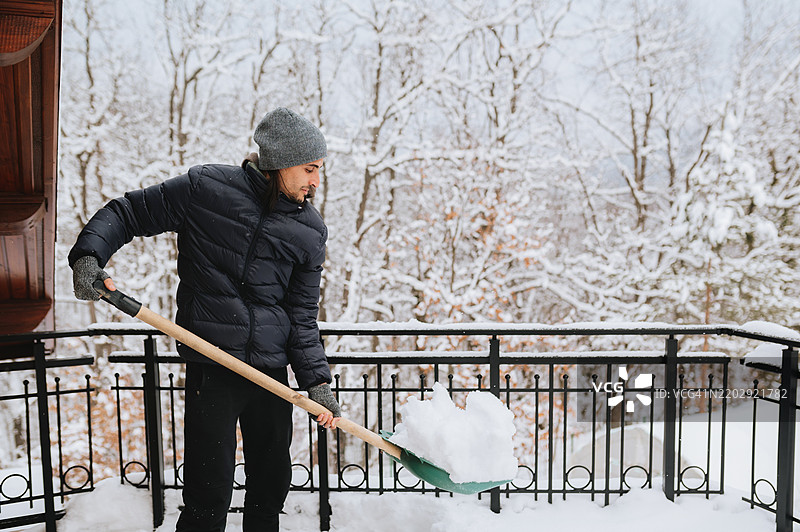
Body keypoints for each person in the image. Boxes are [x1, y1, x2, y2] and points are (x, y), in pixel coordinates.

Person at [68, 107, 342, 532]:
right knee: (208, 494)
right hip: (212, 365)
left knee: (271, 487)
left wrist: (316, 382)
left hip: (270, 375)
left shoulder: (310, 231)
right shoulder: (206, 189)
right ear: (279, 162)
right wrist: (89, 256)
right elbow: (128, 213)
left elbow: (301, 316)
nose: (315, 182)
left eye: (319, 170)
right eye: (310, 169)